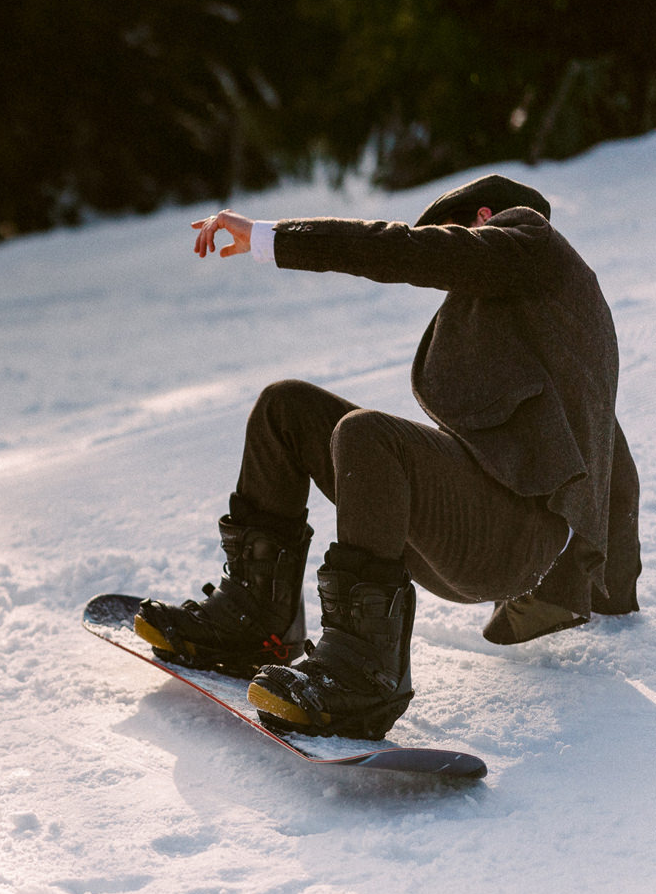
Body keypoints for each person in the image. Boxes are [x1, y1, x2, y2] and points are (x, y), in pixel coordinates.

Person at [136, 174, 641, 740]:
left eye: (451, 234)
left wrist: (270, 237)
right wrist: (616, 593)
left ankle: (363, 672)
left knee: (368, 435)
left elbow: (405, 249)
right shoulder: (546, 320)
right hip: (475, 531)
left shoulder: (533, 241)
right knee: (287, 407)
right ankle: (255, 622)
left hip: (507, 537)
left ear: (482, 219)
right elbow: (614, 462)